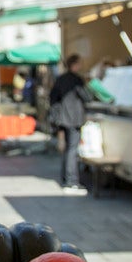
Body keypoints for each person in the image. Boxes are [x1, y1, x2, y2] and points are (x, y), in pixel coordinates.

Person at [49, 53, 92, 195]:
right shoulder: (77, 80)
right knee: (72, 150)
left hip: (63, 118)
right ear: (75, 64)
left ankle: (65, 177)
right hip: (74, 119)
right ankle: (72, 181)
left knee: (68, 149)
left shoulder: (60, 79)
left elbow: (53, 97)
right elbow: (86, 96)